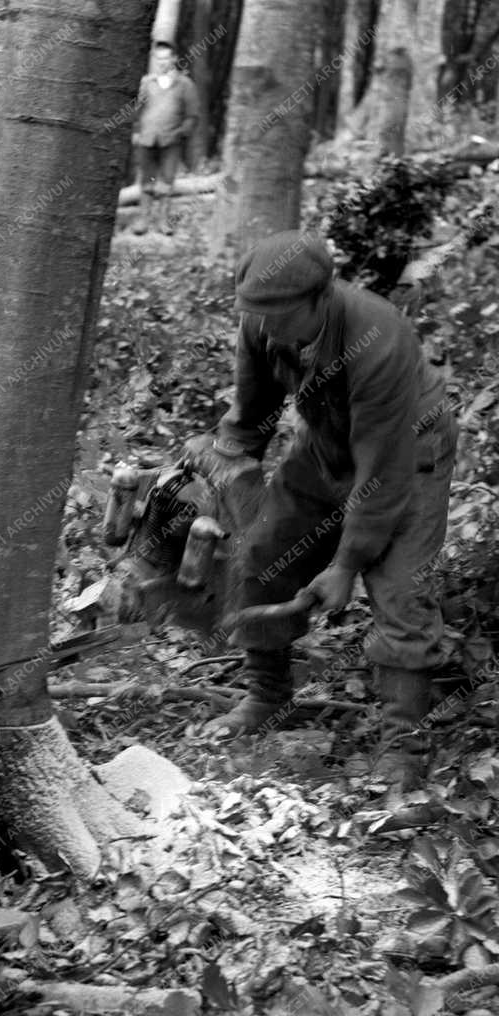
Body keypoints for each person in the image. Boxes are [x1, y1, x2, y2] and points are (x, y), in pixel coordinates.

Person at [186, 230, 457, 788]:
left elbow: (381, 471)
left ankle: (402, 747)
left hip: (408, 451)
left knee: (401, 592)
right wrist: (223, 470)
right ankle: (267, 697)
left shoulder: (377, 337)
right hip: (325, 445)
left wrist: (345, 565)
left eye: (281, 317)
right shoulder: (262, 323)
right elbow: (250, 416)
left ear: (321, 298)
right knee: (262, 554)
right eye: (258, 316)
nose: (268, 329)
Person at [131, 39, 199, 235]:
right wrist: (136, 132)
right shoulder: (146, 82)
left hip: (171, 141)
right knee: (146, 181)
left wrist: (181, 133)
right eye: (158, 58)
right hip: (147, 139)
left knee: (166, 182)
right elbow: (136, 110)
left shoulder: (184, 84)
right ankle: (143, 220)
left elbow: (193, 115)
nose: (162, 62)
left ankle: (163, 222)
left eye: (166, 58)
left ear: (174, 58)